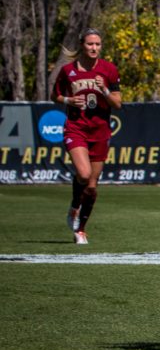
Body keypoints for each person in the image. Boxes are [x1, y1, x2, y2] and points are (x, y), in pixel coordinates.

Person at [51, 28, 123, 245]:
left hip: (100, 131)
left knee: (92, 187)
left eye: (98, 44)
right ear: (82, 45)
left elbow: (118, 104)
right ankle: (74, 206)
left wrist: (105, 90)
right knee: (83, 174)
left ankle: (80, 229)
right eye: (90, 44)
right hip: (76, 128)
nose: (94, 48)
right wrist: (68, 101)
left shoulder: (108, 70)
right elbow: (55, 95)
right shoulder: (68, 71)